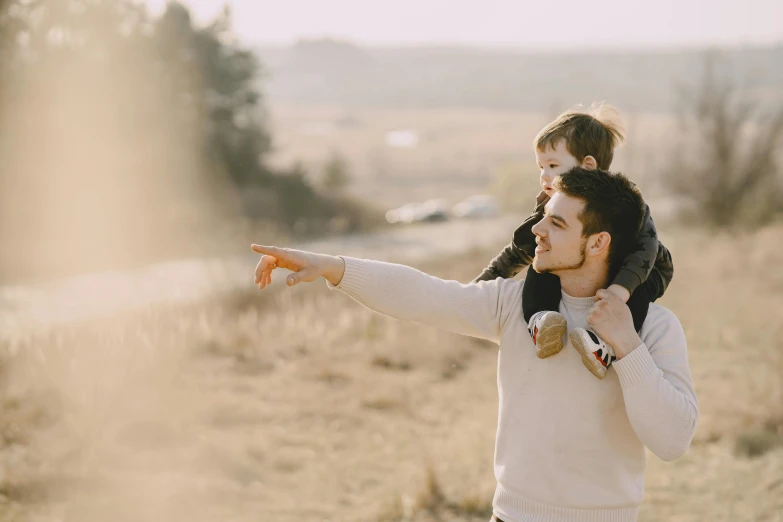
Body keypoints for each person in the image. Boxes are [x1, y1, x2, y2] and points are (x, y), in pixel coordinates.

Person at [251, 167, 698, 522]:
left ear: (598, 242)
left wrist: (627, 347)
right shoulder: (513, 303)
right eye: (545, 216)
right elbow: (425, 294)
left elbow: (673, 440)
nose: (537, 230)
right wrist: (332, 266)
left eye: (557, 223)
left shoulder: (655, 328)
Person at [474, 106, 673, 378]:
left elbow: (646, 249)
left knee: (635, 297)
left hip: (641, 270)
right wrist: (485, 282)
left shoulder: (623, 201)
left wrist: (619, 290)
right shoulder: (551, 204)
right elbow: (525, 247)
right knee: (542, 262)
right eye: (541, 166)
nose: (544, 175)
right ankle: (541, 321)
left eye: (553, 165)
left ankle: (604, 347)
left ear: (588, 166)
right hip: (587, 267)